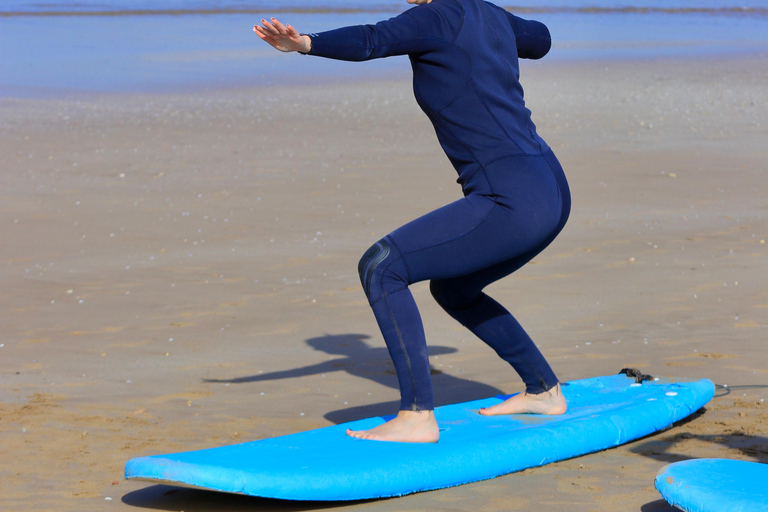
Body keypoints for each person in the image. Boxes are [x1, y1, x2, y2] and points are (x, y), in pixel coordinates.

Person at [254, 0, 570, 443]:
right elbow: (541, 39)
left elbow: (372, 40)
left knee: (382, 266)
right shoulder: (486, 14)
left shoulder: (433, 17)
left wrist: (305, 43)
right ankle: (543, 391)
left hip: (513, 198)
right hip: (550, 188)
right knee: (455, 291)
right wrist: (496, 26)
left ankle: (417, 416)